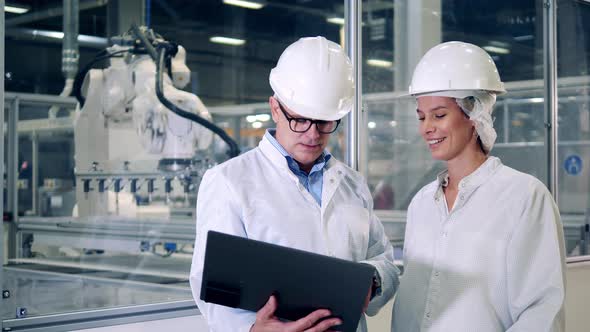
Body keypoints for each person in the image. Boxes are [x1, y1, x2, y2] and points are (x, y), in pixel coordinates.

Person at [190, 36, 399, 332]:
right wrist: (252, 330)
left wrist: (372, 281)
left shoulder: (353, 184)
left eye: (325, 122)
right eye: (300, 120)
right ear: (275, 108)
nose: (313, 134)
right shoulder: (229, 182)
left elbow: (385, 260)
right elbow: (210, 287)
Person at [391, 41, 566, 331]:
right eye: (421, 117)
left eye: (439, 115)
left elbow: (542, 312)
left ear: (474, 112)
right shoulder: (422, 203)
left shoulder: (524, 198)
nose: (426, 128)